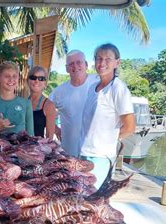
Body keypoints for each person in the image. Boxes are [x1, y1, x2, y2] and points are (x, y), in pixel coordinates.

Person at [80, 43, 136, 189]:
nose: (102, 63)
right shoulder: (92, 87)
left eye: (108, 59)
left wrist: (109, 139)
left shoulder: (118, 88)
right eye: (99, 58)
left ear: (117, 62)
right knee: (82, 198)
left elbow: (130, 127)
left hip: (101, 158)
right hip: (84, 152)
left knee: (94, 199)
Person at [49, 50, 98, 156]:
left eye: (79, 62)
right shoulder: (58, 92)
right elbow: (44, 110)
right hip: (69, 154)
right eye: (71, 64)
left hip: (96, 154)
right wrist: (55, 129)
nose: (75, 66)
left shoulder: (99, 82)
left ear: (86, 65)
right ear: (67, 68)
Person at [0, 61, 34, 136]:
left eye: (14, 76)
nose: (11, 79)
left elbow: (31, 136)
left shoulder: (26, 103)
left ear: (18, 78)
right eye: (7, 76)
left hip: (21, 147)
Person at [27, 66, 57, 139]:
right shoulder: (23, 102)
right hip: (20, 147)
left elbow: (49, 137)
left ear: (45, 83)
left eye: (41, 79)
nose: (37, 81)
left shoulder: (49, 105)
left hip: (37, 148)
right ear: (28, 81)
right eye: (33, 77)